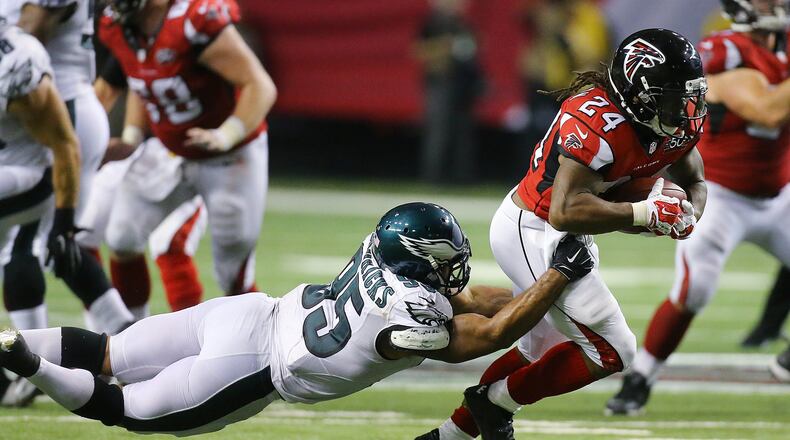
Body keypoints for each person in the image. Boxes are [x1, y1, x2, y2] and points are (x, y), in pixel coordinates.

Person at [0, 202, 594, 435]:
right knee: (124, 409)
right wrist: (559, 276)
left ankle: (10, 340)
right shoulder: (412, 307)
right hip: (255, 367)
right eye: (444, 260)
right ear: (417, 261)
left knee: (109, 352)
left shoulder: (385, 260)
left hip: (250, 315)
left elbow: (472, 303)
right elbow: (487, 333)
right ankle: (23, 360)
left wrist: (543, 288)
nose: (456, 271)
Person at [417, 28, 708, 440]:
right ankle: (493, 401)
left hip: (565, 234)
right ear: (640, 92)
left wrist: (688, 214)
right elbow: (564, 210)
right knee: (615, 351)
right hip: (532, 229)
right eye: (674, 95)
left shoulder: (671, 122)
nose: (686, 107)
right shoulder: (597, 120)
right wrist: (644, 212)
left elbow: (695, 179)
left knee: (542, 345)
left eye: (689, 93)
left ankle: (451, 434)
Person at [606, 0, 790, 415]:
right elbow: (768, 109)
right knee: (695, 290)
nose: (778, 2)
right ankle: (642, 376)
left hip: (780, 193)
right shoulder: (722, 51)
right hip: (723, 195)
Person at [97, 0, 276, 298]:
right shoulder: (118, 26)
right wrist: (131, 136)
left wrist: (225, 135)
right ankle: (130, 331)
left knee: (232, 271)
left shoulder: (194, 23)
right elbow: (142, 77)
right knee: (121, 237)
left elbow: (260, 86)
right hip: (169, 150)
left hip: (229, 156)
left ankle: (257, 340)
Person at [0, 23, 137, 406]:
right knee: (52, 248)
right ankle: (127, 334)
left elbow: (63, 144)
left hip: (46, 151)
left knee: (38, 245)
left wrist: (63, 216)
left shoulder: (14, 59)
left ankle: (28, 367)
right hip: (32, 148)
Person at [414, 0, 483, 184]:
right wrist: (444, 47)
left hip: (463, 85)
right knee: (439, 132)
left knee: (463, 134)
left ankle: (462, 178)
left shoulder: (463, 24)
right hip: (441, 83)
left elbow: (473, 51)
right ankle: (432, 178)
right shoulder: (433, 23)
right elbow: (417, 51)